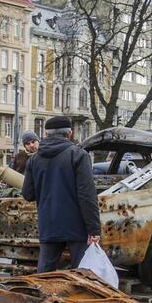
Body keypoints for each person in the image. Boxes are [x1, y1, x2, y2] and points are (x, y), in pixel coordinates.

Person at [21, 116, 101, 273]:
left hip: (49, 224)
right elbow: (87, 195)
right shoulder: (78, 155)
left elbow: (28, 194)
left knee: (44, 273)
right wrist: (94, 229)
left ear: (45, 134)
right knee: (80, 275)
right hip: (76, 226)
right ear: (69, 133)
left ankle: (43, 297)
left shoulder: (34, 160)